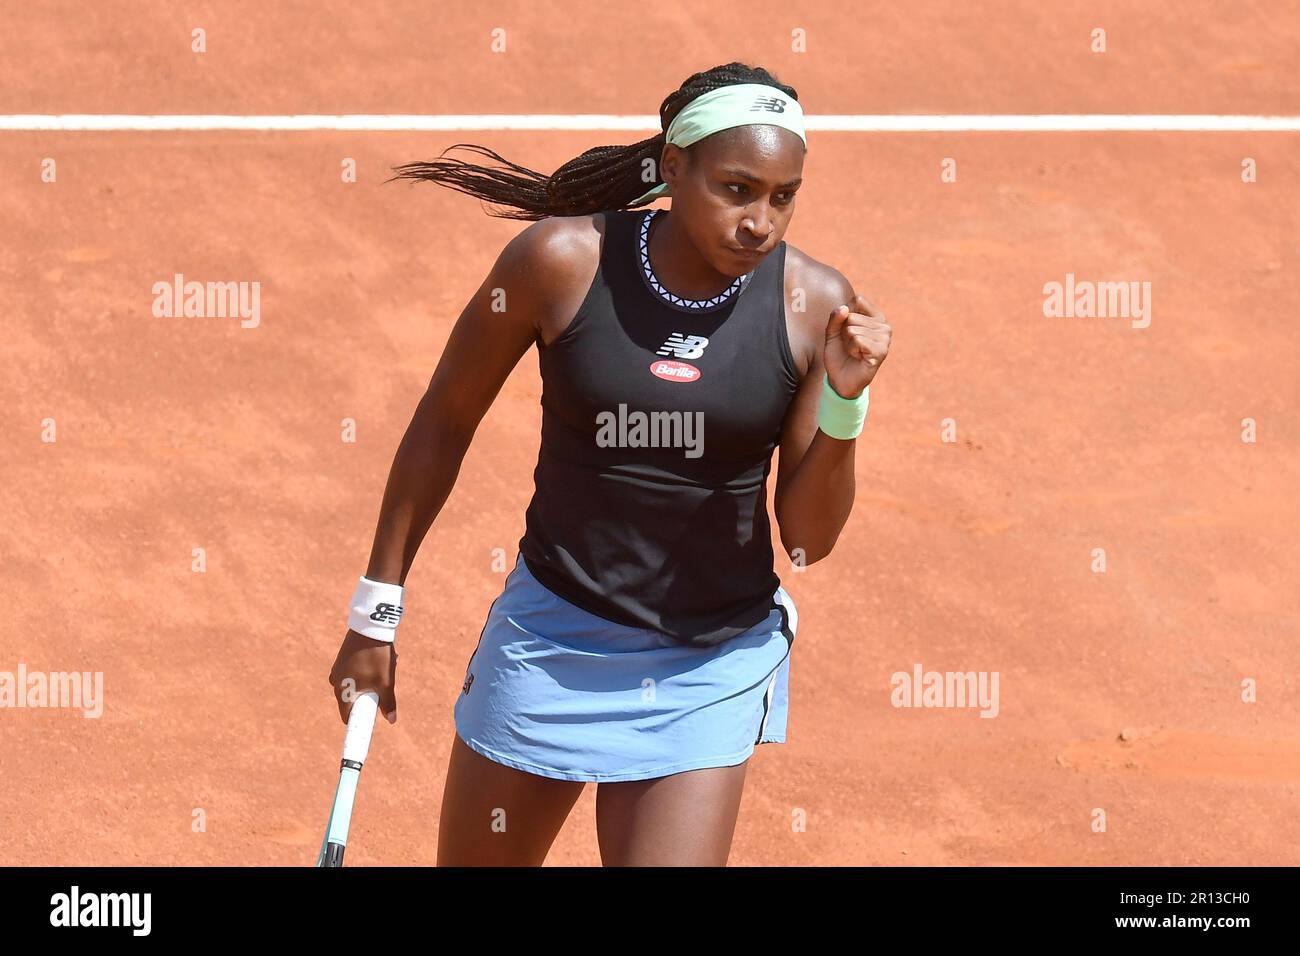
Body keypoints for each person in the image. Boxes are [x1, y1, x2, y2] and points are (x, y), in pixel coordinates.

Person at [327, 61, 892, 866]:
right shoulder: (558, 263)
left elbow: (807, 538)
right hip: (553, 639)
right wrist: (374, 612)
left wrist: (845, 403)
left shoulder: (812, 303)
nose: (759, 222)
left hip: (708, 663)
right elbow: (444, 421)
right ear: (673, 169)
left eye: (782, 195)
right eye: (736, 189)